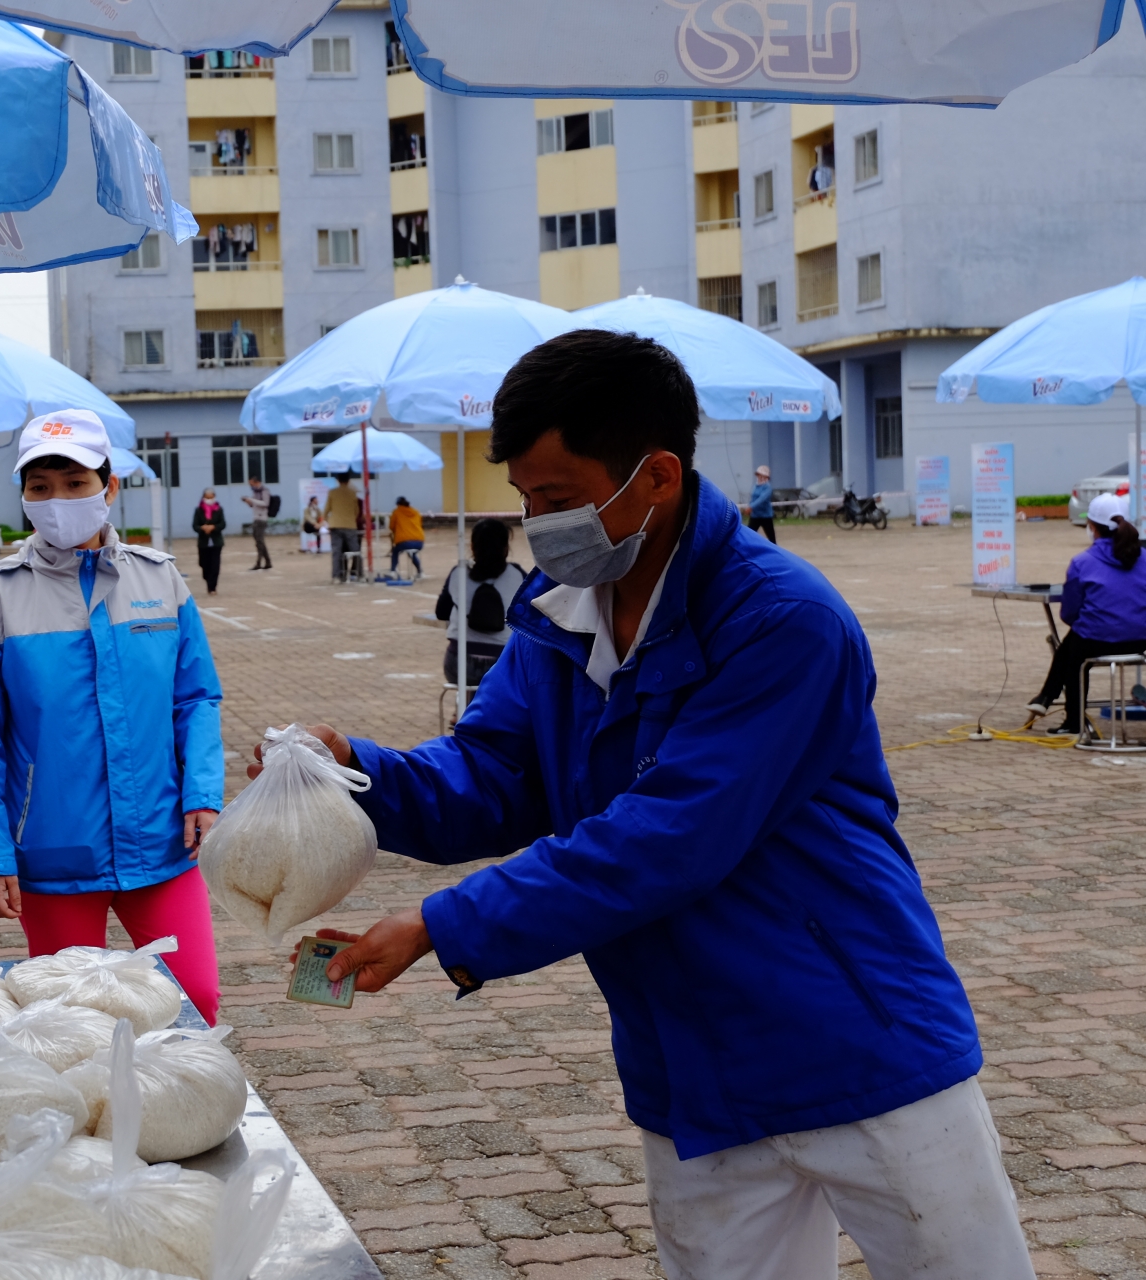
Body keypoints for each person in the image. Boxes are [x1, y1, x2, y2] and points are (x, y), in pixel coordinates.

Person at [263, 330, 1028, 1280]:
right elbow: (495, 777)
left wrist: (440, 925)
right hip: (690, 1064)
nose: (537, 525)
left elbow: (666, 837)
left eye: (558, 500)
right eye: (525, 500)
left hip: (857, 1044)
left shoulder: (783, 621)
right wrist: (355, 774)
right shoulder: (559, 610)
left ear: (656, 476)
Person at [0, 410, 226, 1021]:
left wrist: (203, 793)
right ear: (23, 497)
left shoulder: (161, 580)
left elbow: (195, 698)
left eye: (75, 484)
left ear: (109, 486)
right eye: (40, 488)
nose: (58, 501)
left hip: (163, 842)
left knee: (196, 1000)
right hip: (52, 851)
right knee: (75, 1021)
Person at [1027, 492, 1146, 733]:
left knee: (1074, 653)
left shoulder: (1083, 562)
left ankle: (1069, 716)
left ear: (1092, 527)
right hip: (1141, 640)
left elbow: (1069, 612)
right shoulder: (1143, 558)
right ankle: (1045, 697)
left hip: (1096, 641)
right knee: (1074, 643)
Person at [433, 518, 523, 687]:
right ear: (505, 548)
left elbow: (441, 612)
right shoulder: (517, 574)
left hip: (458, 664)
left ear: (473, 547)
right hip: (501, 664)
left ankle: (462, 710)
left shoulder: (458, 573)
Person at [324, 474, 361, 582]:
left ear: (338, 480)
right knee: (356, 551)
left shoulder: (332, 492)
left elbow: (326, 510)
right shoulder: (353, 493)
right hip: (350, 525)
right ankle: (359, 573)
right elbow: (356, 511)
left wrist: (329, 521)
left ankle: (336, 576)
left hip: (335, 525)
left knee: (337, 552)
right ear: (349, 480)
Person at [194, 488, 226, 595]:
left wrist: (214, 527)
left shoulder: (219, 509)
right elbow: (195, 525)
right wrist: (202, 528)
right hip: (203, 542)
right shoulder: (198, 510)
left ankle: (212, 587)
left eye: (211, 497)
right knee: (204, 564)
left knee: (215, 565)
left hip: (216, 542)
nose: (209, 500)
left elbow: (222, 524)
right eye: (207, 498)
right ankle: (208, 580)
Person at [241, 474, 274, 570]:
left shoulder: (264, 491)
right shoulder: (256, 492)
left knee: (259, 541)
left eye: (251, 483)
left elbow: (265, 503)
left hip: (262, 518)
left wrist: (252, 500)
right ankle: (268, 562)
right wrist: (248, 501)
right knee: (259, 541)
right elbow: (253, 505)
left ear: (257, 482)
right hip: (256, 517)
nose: (251, 486)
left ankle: (259, 562)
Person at [388, 495, 425, 576]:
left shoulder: (396, 512)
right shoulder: (416, 512)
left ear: (398, 504)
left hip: (404, 541)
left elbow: (391, 527)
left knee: (395, 551)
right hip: (419, 541)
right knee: (412, 553)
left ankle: (393, 571)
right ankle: (420, 571)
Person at [747, 463, 777, 543]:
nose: (759, 477)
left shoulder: (768, 487)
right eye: (758, 474)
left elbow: (762, 499)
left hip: (765, 516)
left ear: (766, 477)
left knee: (771, 539)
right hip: (755, 515)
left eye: (761, 475)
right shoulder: (755, 486)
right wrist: (749, 506)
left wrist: (751, 507)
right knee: (748, 535)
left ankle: (774, 553)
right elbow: (753, 497)